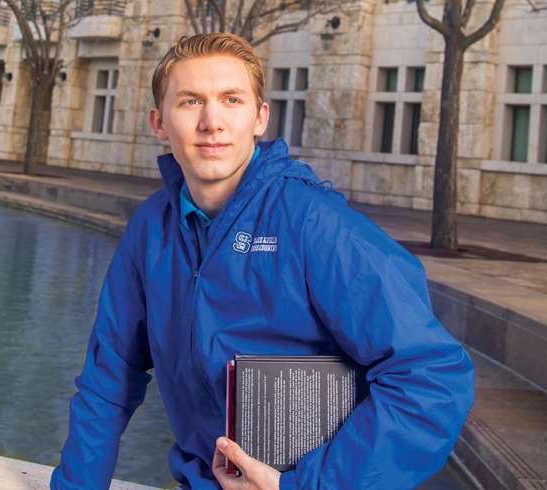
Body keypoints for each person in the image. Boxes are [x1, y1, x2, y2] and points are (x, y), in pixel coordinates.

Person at [51, 32, 474, 489]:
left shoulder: (314, 223)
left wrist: (305, 486)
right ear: (159, 122)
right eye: (190, 102)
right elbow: (109, 376)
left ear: (259, 117)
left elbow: (433, 379)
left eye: (231, 100)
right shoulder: (151, 228)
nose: (212, 122)